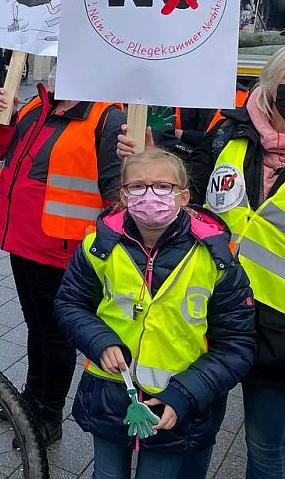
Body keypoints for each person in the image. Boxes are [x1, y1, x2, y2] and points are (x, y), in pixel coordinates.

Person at [55, 149, 254, 478]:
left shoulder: (217, 257)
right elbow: (70, 303)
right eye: (138, 186)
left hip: (178, 403)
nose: (151, 195)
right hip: (110, 393)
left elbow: (237, 344)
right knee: (106, 473)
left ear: (184, 196)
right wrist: (100, 341)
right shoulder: (98, 246)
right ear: (123, 195)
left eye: (163, 186)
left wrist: (185, 394)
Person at [0, 71, 124, 445]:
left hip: (63, 252)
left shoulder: (106, 118)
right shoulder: (37, 104)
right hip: (23, 240)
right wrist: (2, 116)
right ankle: (31, 400)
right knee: (36, 326)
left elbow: (117, 195)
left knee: (57, 335)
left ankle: (48, 414)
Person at [181, 48, 285, 478]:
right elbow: (190, 195)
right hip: (213, 318)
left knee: (265, 450)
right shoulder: (229, 132)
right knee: (195, 438)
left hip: (279, 334)